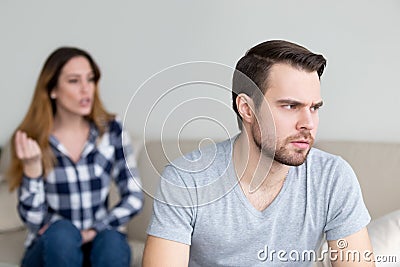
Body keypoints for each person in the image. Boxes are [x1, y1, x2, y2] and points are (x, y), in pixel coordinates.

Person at [142, 40, 375, 266]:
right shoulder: (186, 180)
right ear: (247, 109)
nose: (308, 123)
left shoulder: (332, 178)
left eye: (314, 108)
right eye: (291, 106)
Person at [6, 47, 143, 267]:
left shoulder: (113, 130)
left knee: (112, 241)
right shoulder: (32, 139)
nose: (85, 89)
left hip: (97, 239)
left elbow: (134, 197)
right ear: (52, 89)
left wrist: (93, 230)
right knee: (62, 233)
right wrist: (32, 168)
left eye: (90, 79)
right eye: (73, 81)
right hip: (52, 247)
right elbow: (34, 222)